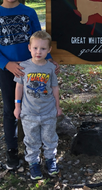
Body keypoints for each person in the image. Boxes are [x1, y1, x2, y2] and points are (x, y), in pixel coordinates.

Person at [0, 0, 59, 170]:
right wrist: (7, 64)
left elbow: (41, 40)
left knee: (36, 107)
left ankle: (38, 149)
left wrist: (49, 59)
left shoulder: (29, 12)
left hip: (34, 71)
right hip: (8, 72)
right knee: (11, 111)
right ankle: (11, 151)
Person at [14, 30, 62, 180]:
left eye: (42, 49)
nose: (38, 52)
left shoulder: (50, 68)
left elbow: (55, 87)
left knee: (50, 137)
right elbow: (19, 87)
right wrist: (17, 106)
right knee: (31, 139)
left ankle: (50, 159)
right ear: (29, 48)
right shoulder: (23, 66)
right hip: (29, 113)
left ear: (49, 50)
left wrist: (58, 106)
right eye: (35, 48)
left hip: (48, 111)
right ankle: (33, 162)